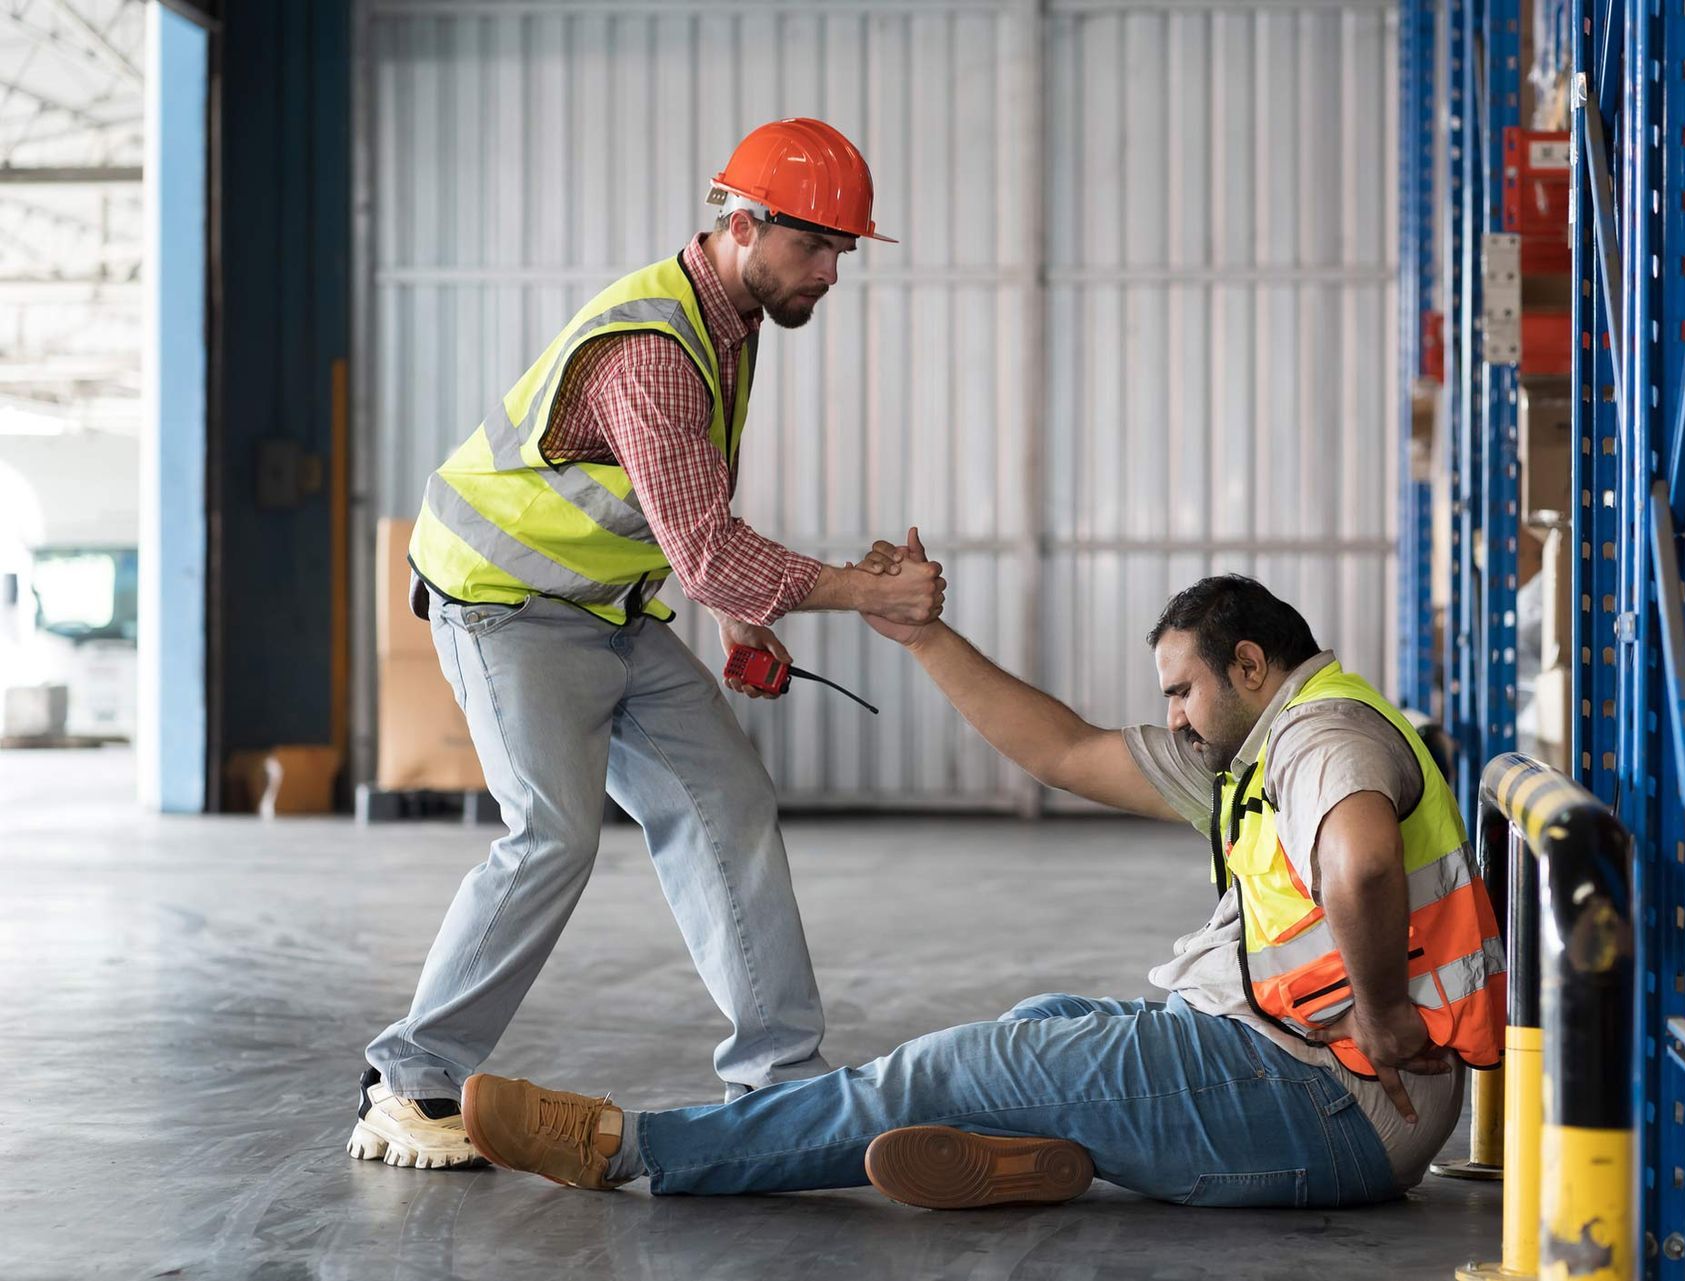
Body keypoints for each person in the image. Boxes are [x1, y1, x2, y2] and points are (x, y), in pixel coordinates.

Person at [452, 546, 1507, 1210]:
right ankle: (1028, 1159)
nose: (1173, 716)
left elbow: (1361, 859)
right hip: (1308, 1084)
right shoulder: (1254, 753)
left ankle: (632, 1147)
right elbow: (1059, 749)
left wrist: (1379, 1016)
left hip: (1331, 1103)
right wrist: (923, 637)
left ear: (1249, 667)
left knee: (952, 1067)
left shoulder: (1324, 737)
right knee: (1041, 1022)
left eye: (1182, 690)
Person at [349, 119, 946, 1172]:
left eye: (843, 255)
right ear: (745, 223)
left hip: (610, 608)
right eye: (814, 249)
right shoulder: (655, 349)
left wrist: (738, 614)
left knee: (729, 802)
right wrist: (869, 592)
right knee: (552, 834)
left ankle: (782, 1082)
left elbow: (689, 518)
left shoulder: (733, 320)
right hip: (503, 602)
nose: (830, 275)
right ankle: (408, 1080)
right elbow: (711, 550)